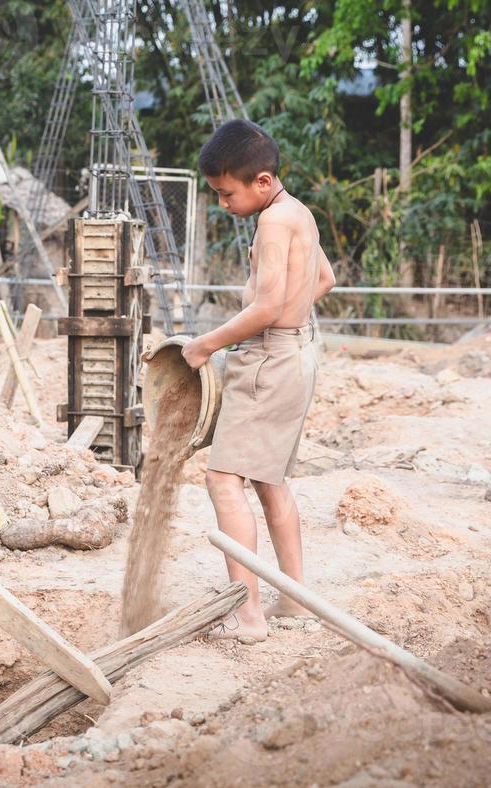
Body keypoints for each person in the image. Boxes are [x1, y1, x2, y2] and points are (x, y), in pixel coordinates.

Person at [180, 119, 336, 642]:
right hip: (298, 353)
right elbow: (326, 279)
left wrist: (206, 344)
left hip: (270, 362)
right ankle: (294, 599)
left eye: (227, 193)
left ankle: (247, 617)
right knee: (271, 480)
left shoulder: (271, 223)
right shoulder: (300, 213)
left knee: (223, 480)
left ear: (262, 182)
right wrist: (290, 319)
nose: (222, 203)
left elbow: (267, 306)